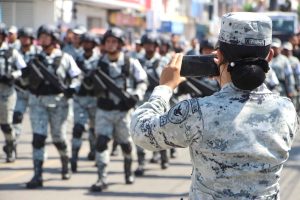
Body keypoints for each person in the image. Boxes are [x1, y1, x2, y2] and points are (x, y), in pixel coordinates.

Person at [130, 12, 298, 199]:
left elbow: (141, 132)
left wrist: (164, 87)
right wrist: (226, 81)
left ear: (218, 55)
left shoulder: (197, 112)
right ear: (270, 56)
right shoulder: (287, 110)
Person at [90, 27, 147, 192]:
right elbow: (85, 84)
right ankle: (102, 178)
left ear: (120, 44)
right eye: (107, 41)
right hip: (104, 110)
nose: (110, 44)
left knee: (126, 145)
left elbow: (142, 81)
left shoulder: (130, 62)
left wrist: (136, 95)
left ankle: (128, 172)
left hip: (124, 110)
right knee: (101, 143)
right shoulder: (98, 63)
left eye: (114, 41)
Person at [25, 24, 81, 188]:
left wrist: (72, 88)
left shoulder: (65, 58)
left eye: (46, 36)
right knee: (38, 138)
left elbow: (77, 76)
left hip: (59, 103)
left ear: (53, 38)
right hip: (38, 103)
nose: (42, 39)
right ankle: (37, 174)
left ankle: (65, 163)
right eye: (40, 36)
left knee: (59, 139)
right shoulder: (34, 58)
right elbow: (23, 79)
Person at [70, 32, 99, 172]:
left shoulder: (100, 60)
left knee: (95, 130)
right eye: (85, 43)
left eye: (90, 43)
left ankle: (94, 151)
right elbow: (71, 77)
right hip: (80, 99)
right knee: (78, 129)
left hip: (96, 99)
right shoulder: (76, 59)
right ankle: (74, 156)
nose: (87, 45)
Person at [0, 23, 27, 163]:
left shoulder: (12, 52)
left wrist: (12, 75)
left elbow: (23, 69)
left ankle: (10, 147)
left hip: (6, 94)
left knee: (6, 125)